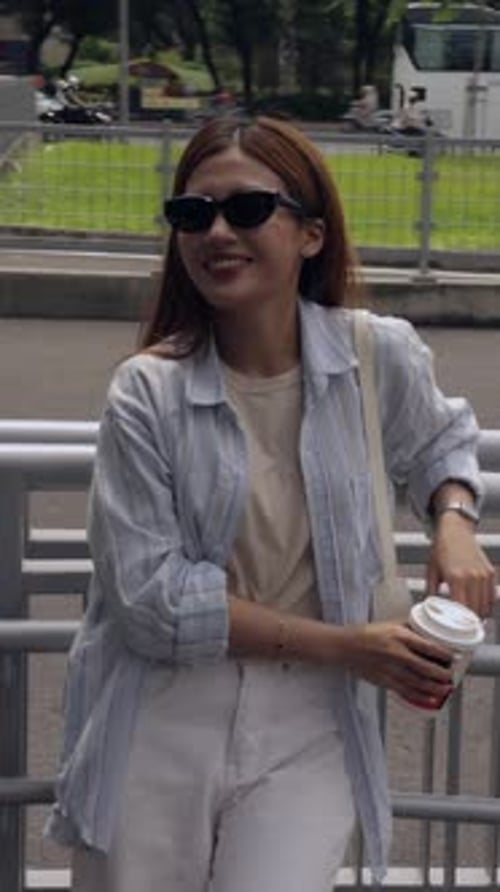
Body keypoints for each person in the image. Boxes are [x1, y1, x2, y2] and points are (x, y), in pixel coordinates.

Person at [46, 115, 496, 892]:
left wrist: (454, 522)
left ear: (311, 234)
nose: (216, 232)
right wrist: (352, 646)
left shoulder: (373, 352)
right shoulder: (147, 391)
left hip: (310, 723)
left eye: (247, 210)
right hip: (162, 711)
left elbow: (439, 444)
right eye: (193, 214)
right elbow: (153, 602)